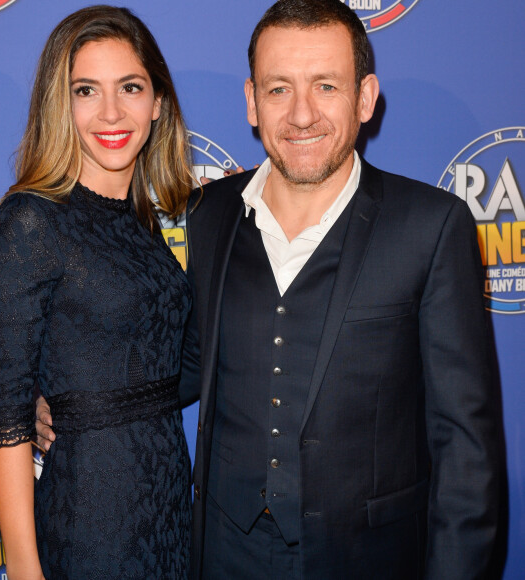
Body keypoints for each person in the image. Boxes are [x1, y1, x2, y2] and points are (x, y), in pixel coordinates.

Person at [38, 0, 500, 578]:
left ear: (365, 96)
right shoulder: (211, 213)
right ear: (252, 102)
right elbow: (186, 361)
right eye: (279, 89)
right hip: (222, 553)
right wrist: (76, 405)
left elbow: (466, 450)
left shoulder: (431, 226)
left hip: (366, 558)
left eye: (325, 85)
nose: (302, 115)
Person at [0, 6, 194, 579]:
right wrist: (24, 568)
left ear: (158, 103)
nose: (112, 112)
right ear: (59, 104)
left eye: (130, 87)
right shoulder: (32, 221)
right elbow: (9, 416)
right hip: (93, 515)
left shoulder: (141, 224)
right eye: (86, 90)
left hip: (171, 509)